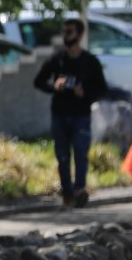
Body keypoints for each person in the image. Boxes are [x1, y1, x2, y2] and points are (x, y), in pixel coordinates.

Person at [33, 17, 107, 207]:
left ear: (80, 35)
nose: (65, 36)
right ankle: (67, 193)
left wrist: (84, 93)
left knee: (81, 153)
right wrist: (54, 87)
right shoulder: (57, 59)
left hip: (81, 114)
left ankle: (79, 190)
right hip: (59, 113)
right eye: (64, 32)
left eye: (69, 32)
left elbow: (102, 89)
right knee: (62, 156)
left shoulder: (90, 61)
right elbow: (38, 81)